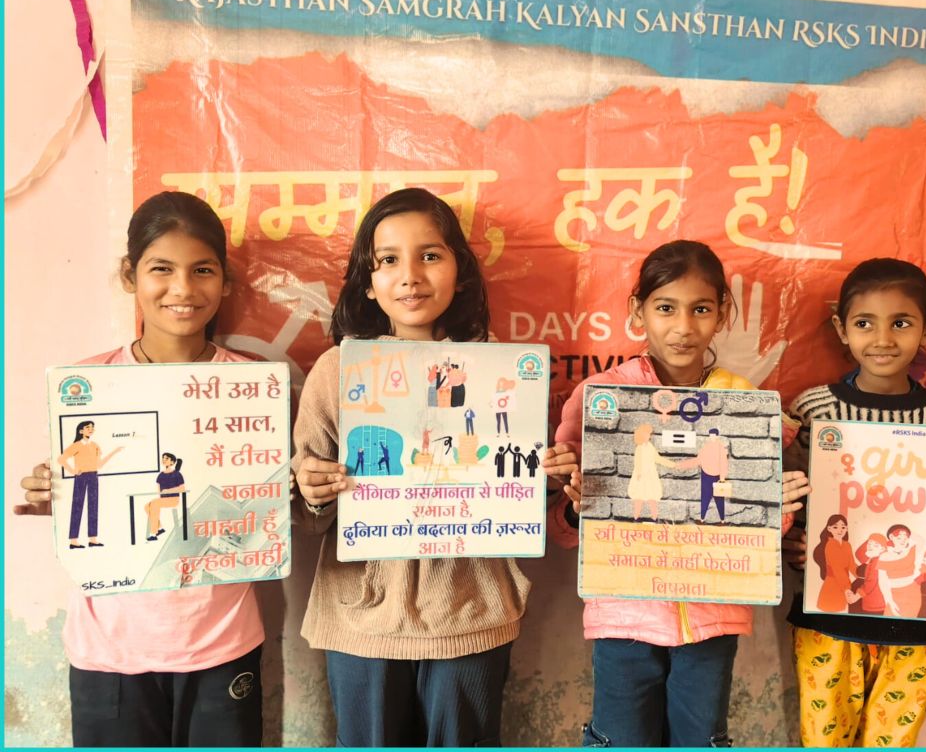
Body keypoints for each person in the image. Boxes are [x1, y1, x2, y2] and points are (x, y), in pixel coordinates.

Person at [16, 191, 264, 747]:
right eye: (161, 269)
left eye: (202, 271)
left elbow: (269, 503)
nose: (182, 289)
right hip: (111, 647)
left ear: (224, 282)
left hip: (223, 640)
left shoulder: (256, 387)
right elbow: (77, 484)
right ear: (131, 276)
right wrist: (48, 490)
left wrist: (291, 489)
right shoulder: (86, 385)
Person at [541, 240, 809, 747]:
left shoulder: (746, 405)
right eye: (665, 308)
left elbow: (758, 532)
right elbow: (565, 529)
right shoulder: (602, 398)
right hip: (624, 614)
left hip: (712, 615)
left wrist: (778, 506)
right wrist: (575, 504)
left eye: (701, 309)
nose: (683, 327)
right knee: (620, 739)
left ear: (722, 313)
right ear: (637, 311)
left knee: (701, 738)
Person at [292, 187, 530, 747]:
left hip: (470, 616)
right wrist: (312, 489)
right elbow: (307, 510)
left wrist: (541, 478)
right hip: (363, 621)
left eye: (430, 255)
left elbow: (513, 488)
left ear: (460, 271)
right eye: (389, 260)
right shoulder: (336, 371)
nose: (410, 276)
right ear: (368, 281)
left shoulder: (500, 368)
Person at [781, 257, 926, 747]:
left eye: (902, 323)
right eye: (865, 323)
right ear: (841, 329)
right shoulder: (813, 411)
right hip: (829, 620)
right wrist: (794, 544)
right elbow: (793, 505)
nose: (883, 339)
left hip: (919, 628)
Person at [58, 420, 124, 548]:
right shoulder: (76, 445)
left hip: (93, 476)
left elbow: (99, 464)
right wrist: (72, 471)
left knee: (93, 506)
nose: (91, 429)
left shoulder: (95, 445)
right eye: (88, 427)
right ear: (81, 431)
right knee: (77, 506)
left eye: (92, 427)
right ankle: (73, 540)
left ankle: (93, 539)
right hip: (80, 477)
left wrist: (114, 452)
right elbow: (61, 459)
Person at [811, 513, 858, 613]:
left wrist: (863, 574)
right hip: (833, 584)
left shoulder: (847, 545)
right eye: (835, 527)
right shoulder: (830, 545)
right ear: (829, 529)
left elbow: (852, 565)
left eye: (843, 527)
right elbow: (837, 569)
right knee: (832, 612)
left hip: (845, 584)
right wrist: (846, 588)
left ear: (847, 529)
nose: (840, 530)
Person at [144, 452, 186, 541]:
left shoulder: (177, 474)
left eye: (166, 458)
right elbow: (159, 492)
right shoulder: (160, 475)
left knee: (154, 504)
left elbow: (182, 488)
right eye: (163, 458)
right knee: (147, 506)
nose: (163, 460)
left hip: (174, 500)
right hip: (163, 500)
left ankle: (153, 534)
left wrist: (168, 491)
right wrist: (160, 498)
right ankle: (160, 528)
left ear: (172, 462)